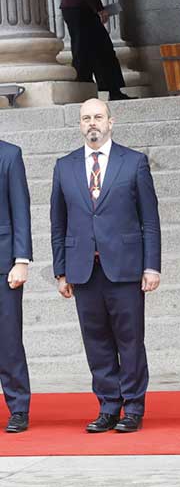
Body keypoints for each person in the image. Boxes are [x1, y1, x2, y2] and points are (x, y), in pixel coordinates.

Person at [50, 98, 161, 433]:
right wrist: (61, 270)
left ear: (111, 122)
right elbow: (58, 222)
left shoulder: (134, 162)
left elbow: (150, 220)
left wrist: (151, 266)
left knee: (129, 340)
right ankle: (108, 406)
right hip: (84, 269)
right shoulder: (65, 166)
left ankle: (134, 407)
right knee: (96, 341)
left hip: (125, 267)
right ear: (80, 124)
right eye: (86, 118)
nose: (92, 123)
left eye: (98, 117)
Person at [0, 140, 31, 433]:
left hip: (3, 265)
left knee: (8, 341)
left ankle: (19, 407)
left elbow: (20, 208)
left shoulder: (9, 154)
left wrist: (22, 259)